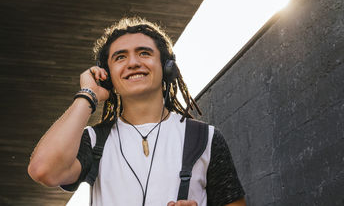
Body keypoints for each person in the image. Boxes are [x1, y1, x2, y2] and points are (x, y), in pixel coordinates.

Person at [28, 17, 246, 206]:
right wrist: (88, 94)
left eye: (144, 53)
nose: (133, 62)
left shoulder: (204, 138)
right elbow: (43, 170)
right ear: (107, 75)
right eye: (120, 57)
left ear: (167, 67)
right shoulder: (95, 140)